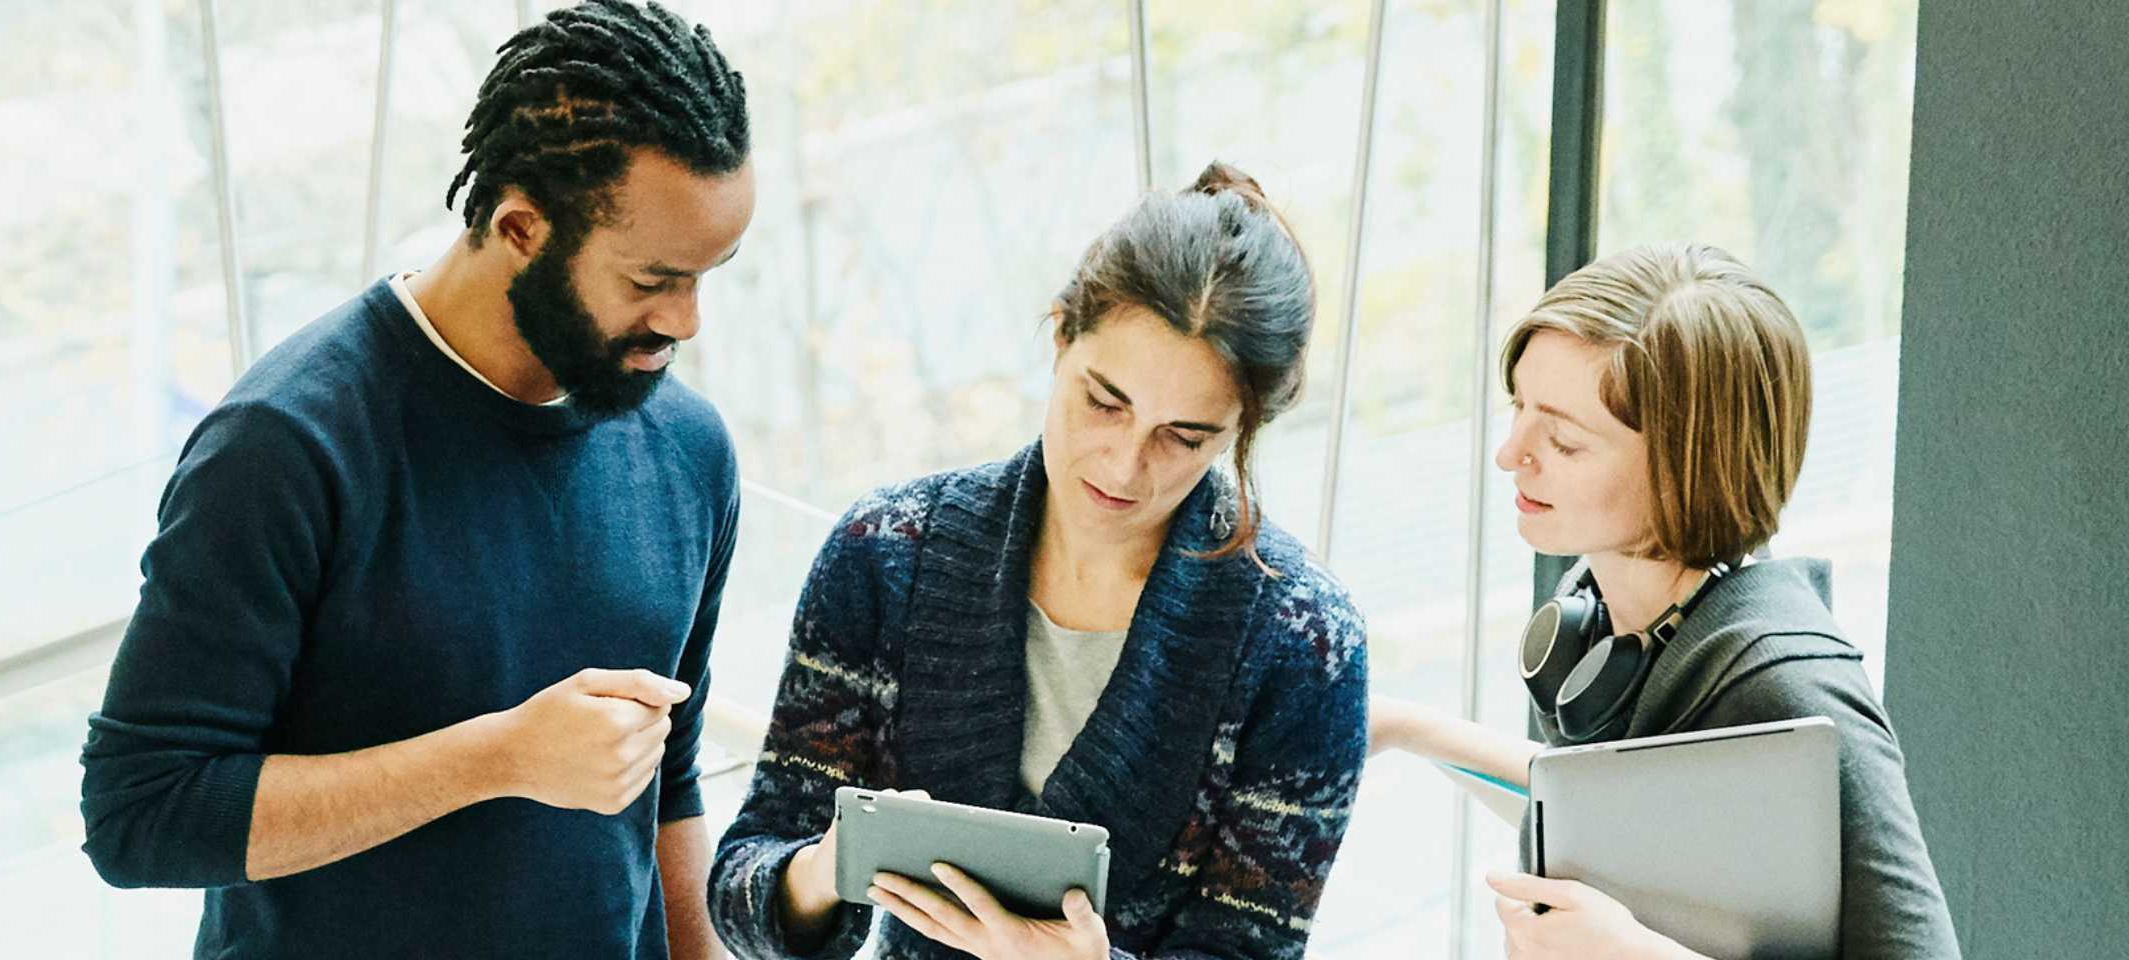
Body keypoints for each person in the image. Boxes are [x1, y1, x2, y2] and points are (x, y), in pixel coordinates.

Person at [71, 3, 755, 956]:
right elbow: (141, 813)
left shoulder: (688, 446)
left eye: (709, 272)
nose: (686, 322)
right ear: (520, 226)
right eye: (650, 281)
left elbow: (663, 774)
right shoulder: (284, 448)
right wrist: (497, 759)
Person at [705, 164, 1371, 960]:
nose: (1124, 466)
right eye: (1104, 401)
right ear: (1060, 334)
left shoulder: (1305, 644)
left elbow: (1251, 948)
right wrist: (827, 868)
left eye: (1185, 437)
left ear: (1241, 428)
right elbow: (742, 887)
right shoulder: (885, 554)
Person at [1369, 244, 1961, 958]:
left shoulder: (1788, 687)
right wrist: (1402, 727)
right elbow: (1616, 807)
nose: (1511, 453)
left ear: (1689, 465)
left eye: (1563, 439)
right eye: (1518, 406)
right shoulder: (1602, 623)